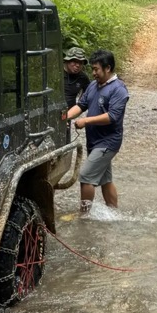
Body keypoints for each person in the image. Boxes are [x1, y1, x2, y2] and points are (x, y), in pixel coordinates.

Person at [63, 49, 129, 214]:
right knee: (106, 180)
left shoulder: (119, 89)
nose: (93, 73)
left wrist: (86, 121)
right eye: (92, 69)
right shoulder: (93, 86)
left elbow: (112, 116)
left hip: (108, 142)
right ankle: (114, 214)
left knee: (85, 176)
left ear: (107, 68)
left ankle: (84, 216)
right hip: (94, 141)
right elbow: (81, 105)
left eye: (96, 69)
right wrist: (64, 118)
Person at [61, 46, 90, 110]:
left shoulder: (83, 77)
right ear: (67, 61)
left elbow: (89, 92)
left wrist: (80, 105)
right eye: (75, 61)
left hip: (69, 113)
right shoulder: (57, 73)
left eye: (80, 63)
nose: (77, 65)